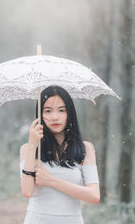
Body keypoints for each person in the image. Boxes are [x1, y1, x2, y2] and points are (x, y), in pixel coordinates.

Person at [19, 85, 100, 224]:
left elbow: (94, 196)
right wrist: (33, 145)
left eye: (61, 110)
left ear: (70, 113)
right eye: (48, 111)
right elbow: (27, 192)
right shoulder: (28, 149)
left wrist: (51, 181)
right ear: (40, 115)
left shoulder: (85, 148)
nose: (55, 117)